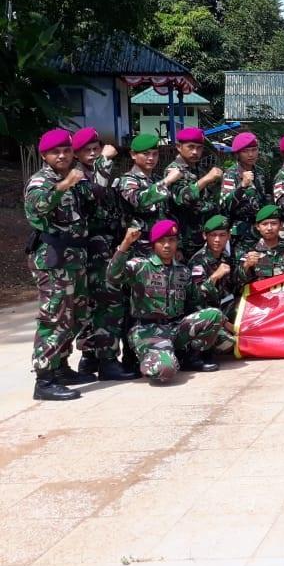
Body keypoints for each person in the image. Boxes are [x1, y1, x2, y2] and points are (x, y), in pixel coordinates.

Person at [25, 130, 95, 400]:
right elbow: (38, 207)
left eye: (66, 150)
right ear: (44, 156)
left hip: (74, 258)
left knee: (74, 315)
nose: (62, 156)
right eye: (56, 152)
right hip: (52, 260)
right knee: (54, 317)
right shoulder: (41, 181)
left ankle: (61, 366)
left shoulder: (76, 177)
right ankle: (44, 379)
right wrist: (64, 185)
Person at [107, 222, 224, 383]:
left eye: (172, 240)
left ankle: (190, 358)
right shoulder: (140, 266)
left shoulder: (182, 271)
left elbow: (196, 299)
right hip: (149, 331)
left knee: (214, 315)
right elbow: (113, 276)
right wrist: (125, 244)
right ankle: (152, 358)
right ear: (154, 244)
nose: (167, 245)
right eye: (162, 241)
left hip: (175, 328)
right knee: (165, 370)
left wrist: (213, 279)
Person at [70, 128, 135, 380]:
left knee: (101, 303)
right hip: (92, 251)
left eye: (96, 148)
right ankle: (104, 360)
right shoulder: (80, 177)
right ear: (76, 155)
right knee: (107, 303)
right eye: (86, 150)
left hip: (107, 247)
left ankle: (92, 358)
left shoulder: (101, 175)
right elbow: (94, 194)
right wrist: (105, 161)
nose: (93, 153)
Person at [166, 127, 223, 261]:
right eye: (190, 147)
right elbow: (181, 199)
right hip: (183, 240)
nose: (195, 152)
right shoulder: (174, 170)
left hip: (200, 237)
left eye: (199, 148)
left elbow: (208, 200)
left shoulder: (198, 169)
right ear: (179, 147)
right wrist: (206, 179)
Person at [118, 132, 180, 256]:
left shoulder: (156, 180)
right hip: (138, 246)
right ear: (133, 155)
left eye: (155, 154)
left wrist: (178, 246)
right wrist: (167, 180)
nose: (151, 158)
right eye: (146, 154)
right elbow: (140, 200)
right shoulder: (127, 180)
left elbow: (168, 214)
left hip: (161, 245)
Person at [189, 215, 237, 354]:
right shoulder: (197, 261)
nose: (217, 240)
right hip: (207, 315)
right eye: (213, 235)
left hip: (225, 309)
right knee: (229, 342)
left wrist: (245, 267)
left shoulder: (227, 257)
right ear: (205, 236)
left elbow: (235, 285)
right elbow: (197, 297)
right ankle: (200, 353)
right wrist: (215, 276)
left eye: (222, 235)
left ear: (228, 236)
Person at [220, 132, 272, 253]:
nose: (251, 154)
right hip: (239, 233)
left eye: (254, 150)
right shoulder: (231, 174)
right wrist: (242, 186)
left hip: (260, 231)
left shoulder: (260, 172)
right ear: (238, 154)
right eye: (245, 151)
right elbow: (225, 205)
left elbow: (266, 199)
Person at [238, 205, 284, 284]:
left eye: (274, 223)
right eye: (264, 224)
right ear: (258, 227)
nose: (269, 228)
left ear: (281, 225)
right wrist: (246, 265)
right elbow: (238, 282)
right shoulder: (250, 252)